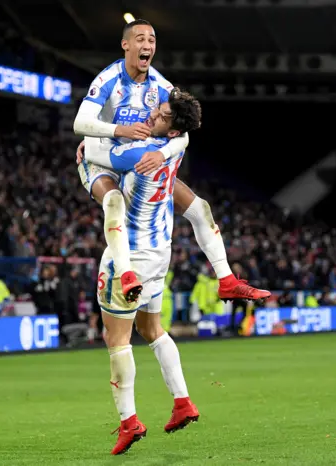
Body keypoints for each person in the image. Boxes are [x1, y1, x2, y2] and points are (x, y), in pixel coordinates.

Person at [74, 19, 270, 305]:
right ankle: (126, 272)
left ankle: (227, 280)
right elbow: (80, 122)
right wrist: (117, 131)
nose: (147, 45)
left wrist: (160, 154)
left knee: (200, 207)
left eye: (152, 40)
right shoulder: (108, 80)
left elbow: (184, 135)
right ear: (125, 44)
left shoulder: (161, 86)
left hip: (139, 159)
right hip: (100, 157)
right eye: (140, 39)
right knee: (114, 202)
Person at [95, 90, 202, 455]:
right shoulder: (176, 147)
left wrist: (85, 151)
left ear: (172, 130)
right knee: (151, 329)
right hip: (160, 253)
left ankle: (129, 421)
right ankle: (183, 401)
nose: (154, 111)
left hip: (131, 255)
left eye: (163, 112)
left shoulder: (140, 154)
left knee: (117, 339)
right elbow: (182, 136)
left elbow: (95, 154)